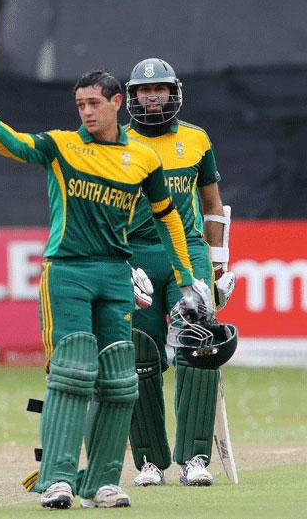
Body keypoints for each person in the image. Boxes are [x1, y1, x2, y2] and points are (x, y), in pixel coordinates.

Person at [0, 70, 211, 509]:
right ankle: (56, 480)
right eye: (80, 105)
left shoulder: (143, 157)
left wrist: (187, 280)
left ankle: (102, 482)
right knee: (72, 371)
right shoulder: (63, 145)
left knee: (118, 380)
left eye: (94, 103)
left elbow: (168, 216)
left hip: (116, 273)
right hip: (68, 271)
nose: (87, 112)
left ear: (115, 103)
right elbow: (16, 144)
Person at [124, 58, 235, 487]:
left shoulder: (196, 139)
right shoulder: (118, 144)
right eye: (143, 91)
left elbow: (211, 206)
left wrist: (218, 263)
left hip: (187, 255)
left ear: (174, 92)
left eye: (161, 89)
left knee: (198, 345)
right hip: (138, 254)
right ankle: (151, 461)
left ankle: (195, 459)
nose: (153, 97)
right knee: (141, 355)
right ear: (131, 98)